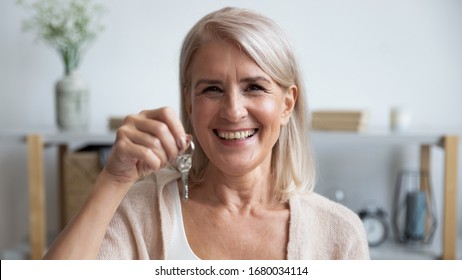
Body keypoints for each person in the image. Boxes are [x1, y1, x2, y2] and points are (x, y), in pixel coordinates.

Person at [44, 7, 369, 260]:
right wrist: (113, 180)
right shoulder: (140, 213)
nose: (233, 110)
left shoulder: (339, 234)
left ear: (286, 105)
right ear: (189, 103)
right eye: (212, 89)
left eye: (254, 87)